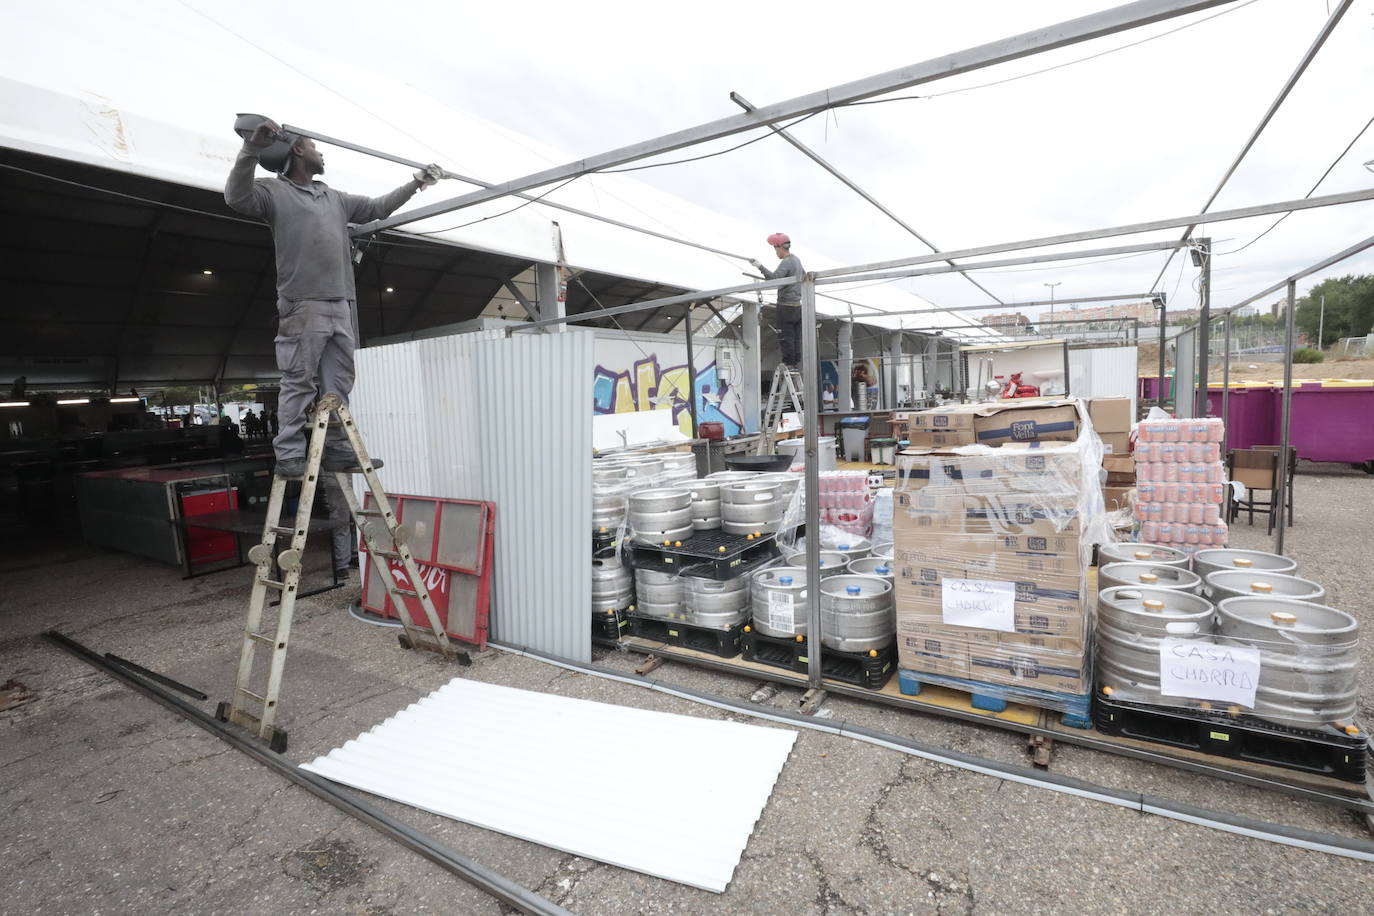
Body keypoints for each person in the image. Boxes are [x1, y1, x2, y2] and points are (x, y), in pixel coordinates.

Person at [224, 116, 443, 477]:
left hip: (340, 302)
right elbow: (236, 197)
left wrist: (416, 183)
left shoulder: (334, 198)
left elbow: (376, 208)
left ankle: (339, 448)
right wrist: (252, 149)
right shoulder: (274, 192)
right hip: (302, 302)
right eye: (314, 146)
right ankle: (290, 453)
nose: (320, 152)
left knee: (338, 381)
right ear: (297, 150)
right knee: (298, 378)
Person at [749, 232, 805, 367]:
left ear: (780, 247)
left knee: (785, 336)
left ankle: (788, 362)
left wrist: (759, 266)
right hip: (798, 306)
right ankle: (795, 360)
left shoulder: (787, 262)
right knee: (796, 337)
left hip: (786, 307)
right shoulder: (797, 260)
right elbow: (803, 276)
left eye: (775, 249)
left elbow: (774, 279)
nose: (775, 252)